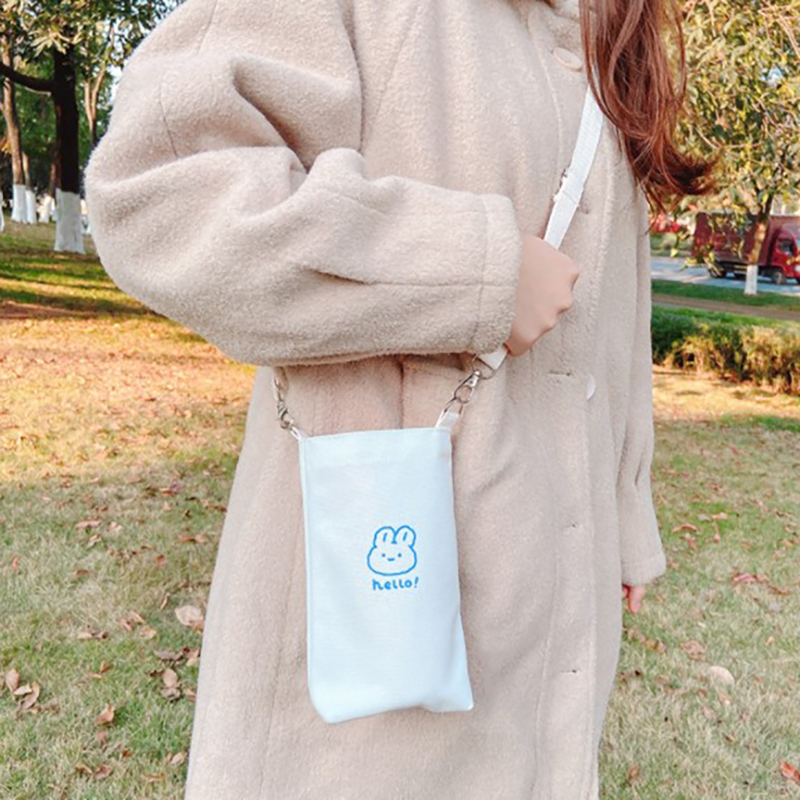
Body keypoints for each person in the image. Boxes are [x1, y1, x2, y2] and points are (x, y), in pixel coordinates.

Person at [84, 0, 714, 796]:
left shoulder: (606, 32)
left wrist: (626, 514)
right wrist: (477, 271)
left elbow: (616, 313)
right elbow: (161, 191)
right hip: (368, 622)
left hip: (555, 612)